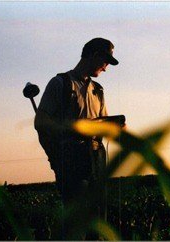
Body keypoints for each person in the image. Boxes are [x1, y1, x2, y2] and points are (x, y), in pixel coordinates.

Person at [34, 38, 119, 239]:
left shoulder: (98, 90)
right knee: (76, 224)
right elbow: (41, 123)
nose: (106, 68)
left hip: (97, 159)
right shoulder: (60, 83)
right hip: (71, 159)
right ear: (94, 55)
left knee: (97, 222)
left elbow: (102, 123)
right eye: (105, 62)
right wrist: (73, 129)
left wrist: (115, 128)